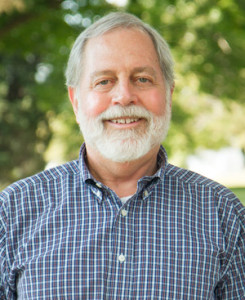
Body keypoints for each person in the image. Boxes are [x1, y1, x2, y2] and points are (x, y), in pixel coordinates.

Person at [0, 11, 244, 300]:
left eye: (142, 79)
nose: (124, 96)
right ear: (76, 100)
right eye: (104, 81)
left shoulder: (224, 215)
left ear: (169, 94)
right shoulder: (12, 212)